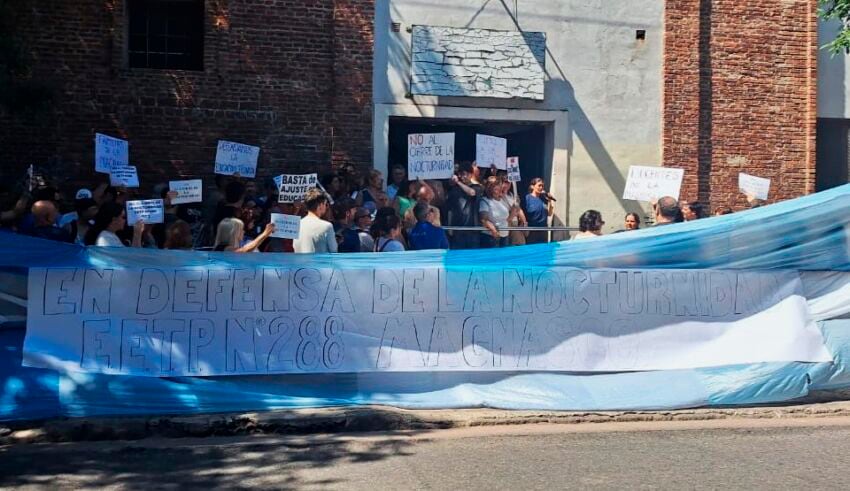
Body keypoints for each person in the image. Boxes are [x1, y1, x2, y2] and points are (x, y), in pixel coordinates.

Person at [445, 162, 482, 249]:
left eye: (464, 174)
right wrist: (450, 227)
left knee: (472, 258)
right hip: (458, 230)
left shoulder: (477, 187)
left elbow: (472, 193)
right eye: (460, 174)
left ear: (470, 175)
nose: (462, 177)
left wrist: (458, 182)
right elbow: (450, 210)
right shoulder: (454, 190)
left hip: (473, 231)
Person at [293, 188, 337, 253]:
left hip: (300, 262)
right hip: (319, 263)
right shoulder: (327, 226)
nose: (326, 207)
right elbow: (334, 250)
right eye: (325, 204)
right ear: (320, 205)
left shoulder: (297, 225)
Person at [478, 177, 513, 248]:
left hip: (505, 235)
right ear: (489, 188)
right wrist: (493, 230)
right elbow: (484, 219)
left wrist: (516, 206)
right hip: (491, 237)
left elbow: (509, 217)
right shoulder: (485, 201)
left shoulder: (503, 200)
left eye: (499, 185)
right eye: (495, 185)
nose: (499, 187)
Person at [524, 178, 553, 245]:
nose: (541, 187)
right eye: (539, 185)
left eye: (542, 186)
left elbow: (549, 213)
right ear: (532, 186)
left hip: (543, 230)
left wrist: (549, 201)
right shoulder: (527, 198)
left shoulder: (543, 198)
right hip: (532, 231)